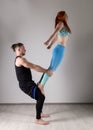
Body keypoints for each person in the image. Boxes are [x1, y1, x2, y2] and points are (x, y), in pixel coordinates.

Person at [11, 43, 52, 125]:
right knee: (41, 97)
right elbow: (34, 66)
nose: (25, 49)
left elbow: (33, 66)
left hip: (29, 83)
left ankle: (40, 113)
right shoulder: (20, 60)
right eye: (23, 48)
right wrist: (46, 71)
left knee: (41, 95)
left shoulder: (22, 59)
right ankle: (38, 119)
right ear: (19, 49)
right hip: (26, 85)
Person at [38, 11, 71, 95]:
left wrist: (50, 45)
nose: (67, 16)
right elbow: (54, 33)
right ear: (63, 16)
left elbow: (56, 37)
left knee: (51, 68)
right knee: (52, 69)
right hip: (59, 49)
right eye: (66, 15)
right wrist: (48, 41)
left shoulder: (63, 25)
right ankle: (41, 85)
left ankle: (40, 83)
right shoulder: (60, 24)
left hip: (60, 49)